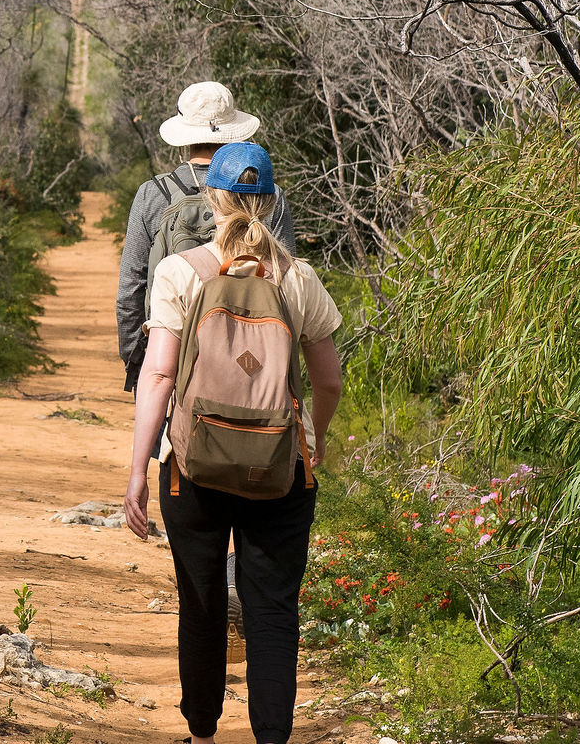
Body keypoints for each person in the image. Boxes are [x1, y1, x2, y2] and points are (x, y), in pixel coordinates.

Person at [122, 141, 342, 744]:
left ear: (212, 199)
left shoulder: (179, 272)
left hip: (192, 467)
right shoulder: (298, 279)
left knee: (201, 604)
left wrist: (139, 468)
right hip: (280, 467)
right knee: (272, 608)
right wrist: (312, 439)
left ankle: (202, 735)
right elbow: (328, 377)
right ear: (270, 201)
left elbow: (160, 376)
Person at [118, 82, 296, 391]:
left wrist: (137, 359)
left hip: (170, 358)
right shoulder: (270, 195)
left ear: (185, 135)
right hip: (254, 365)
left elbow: (130, 290)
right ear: (234, 130)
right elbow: (287, 286)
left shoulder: (153, 194)